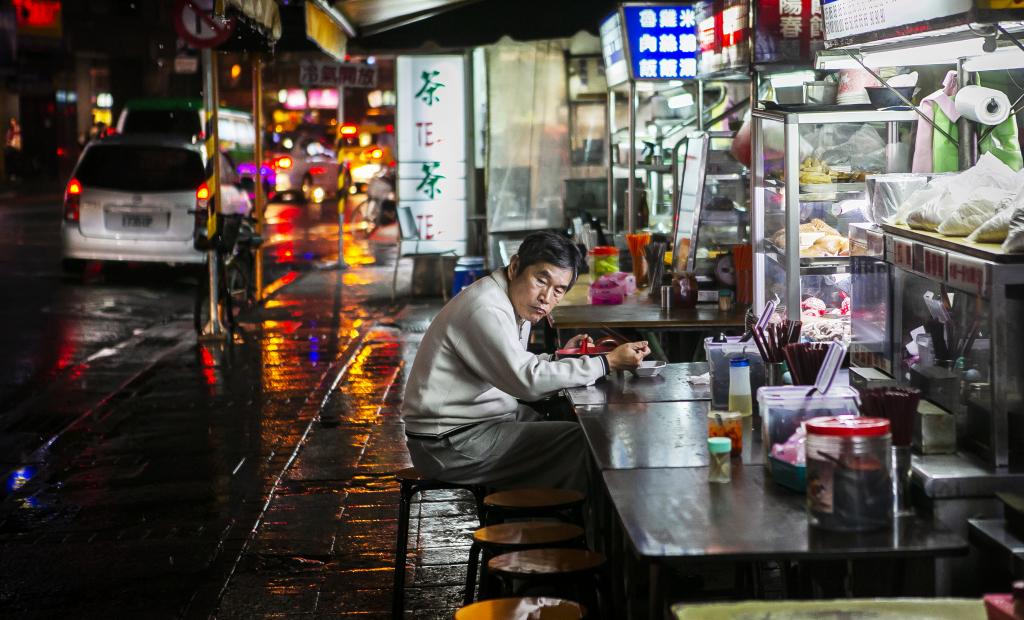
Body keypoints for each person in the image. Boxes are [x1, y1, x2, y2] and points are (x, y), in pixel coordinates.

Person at [401, 231, 651, 492]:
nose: (546, 297)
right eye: (541, 280)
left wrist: (560, 357)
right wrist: (606, 362)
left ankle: (531, 519)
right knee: (579, 441)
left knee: (568, 420)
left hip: (476, 424)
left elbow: (513, 364)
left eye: (558, 291)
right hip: (447, 442)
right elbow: (526, 381)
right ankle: (562, 528)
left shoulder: (508, 300)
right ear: (515, 267)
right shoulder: (486, 308)